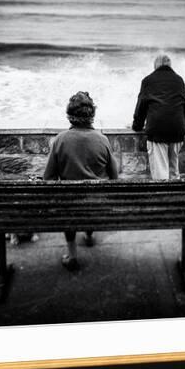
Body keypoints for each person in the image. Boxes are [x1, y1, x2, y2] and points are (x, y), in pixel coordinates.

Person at [44, 91, 119, 271]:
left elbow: (48, 178)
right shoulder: (102, 140)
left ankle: (72, 255)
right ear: (92, 114)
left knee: (68, 203)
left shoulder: (60, 140)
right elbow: (114, 176)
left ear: (69, 115)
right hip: (96, 205)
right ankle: (89, 234)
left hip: (70, 206)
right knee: (90, 197)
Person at [132, 54, 185, 180]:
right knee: (174, 171)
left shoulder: (148, 80)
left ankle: (165, 197)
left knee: (160, 173)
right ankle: (178, 196)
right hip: (177, 128)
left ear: (155, 65)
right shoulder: (179, 80)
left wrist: (137, 126)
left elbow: (141, 106)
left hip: (157, 130)